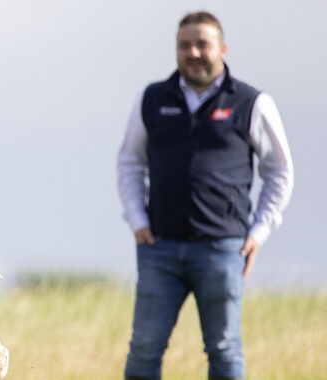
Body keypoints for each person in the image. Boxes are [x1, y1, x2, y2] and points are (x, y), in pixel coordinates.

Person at [116, 11, 294, 380]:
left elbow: (280, 171)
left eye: (203, 44)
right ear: (176, 50)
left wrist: (259, 232)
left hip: (223, 248)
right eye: (185, 45)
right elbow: (129, 163)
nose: (193, 53)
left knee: (225, 349)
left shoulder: (251, 102)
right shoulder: (151, 99)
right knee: (144, 348)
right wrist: (137, 220)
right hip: (159, 248)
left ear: (222, 49)